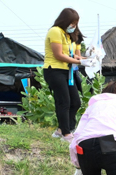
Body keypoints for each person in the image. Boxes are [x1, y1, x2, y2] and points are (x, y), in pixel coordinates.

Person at [43, 8, 82, 143]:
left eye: (75, 24)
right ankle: (66, 134)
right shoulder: (55, 31)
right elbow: (58, 55)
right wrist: (79, 61)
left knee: (76, 102)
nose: (74, 26)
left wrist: (82, 58)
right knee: (63, 101)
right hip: (54, 70)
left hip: (67, 71)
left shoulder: (67, 35)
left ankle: (62, 129)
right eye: (72, 23)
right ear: (65, 21)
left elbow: (72, 54)